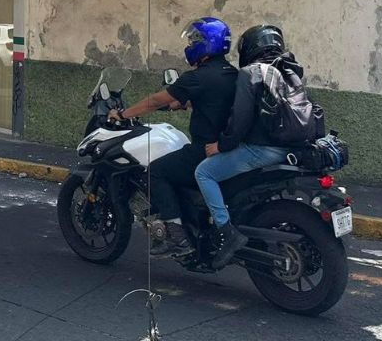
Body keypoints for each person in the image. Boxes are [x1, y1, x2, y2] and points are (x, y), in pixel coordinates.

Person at [106, 17, 237, 257]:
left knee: (155, 172)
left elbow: (156, 100)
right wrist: (183, 103)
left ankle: (176, 235)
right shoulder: (231, 73)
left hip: (204, 150)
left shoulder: (197, 77)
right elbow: (207, 101)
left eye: (192, 40)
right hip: (229, 149)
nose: (189, 45)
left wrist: (123, 114)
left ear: (204, 43)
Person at [195, 24, 300, 268]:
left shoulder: (251, 73)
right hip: (292, 149)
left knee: (204, 171)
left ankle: (226, 233)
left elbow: (240, 118)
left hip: (263, 149)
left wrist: (221, 145)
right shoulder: (290, 70)